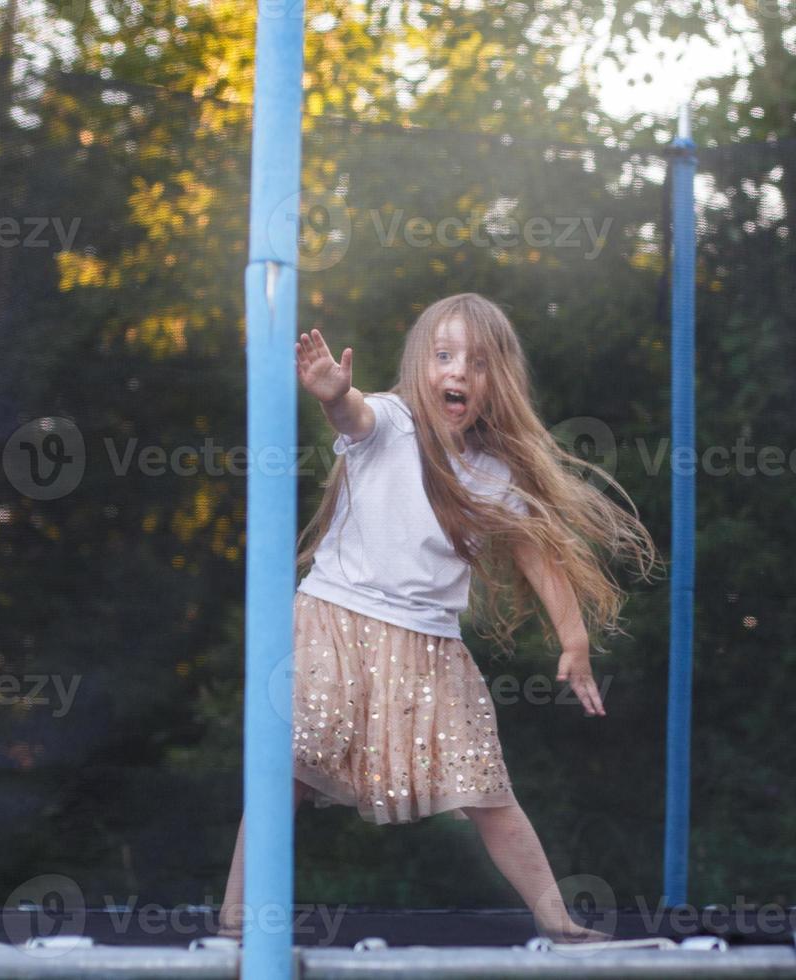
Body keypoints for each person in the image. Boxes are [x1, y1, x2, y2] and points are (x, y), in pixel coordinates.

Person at [219, 292, 657, 943]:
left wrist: (575, 640)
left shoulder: (497, 471)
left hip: (428, 647)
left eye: (475, 363)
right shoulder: (391, 422)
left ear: (495, 381)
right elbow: (354, 415)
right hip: (335, 620)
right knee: (288, 768)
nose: (457, 373)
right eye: (444, 356)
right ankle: (236, 924)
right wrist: (332, 394)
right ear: (420, 363)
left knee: (486, 786)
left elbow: (541, 559)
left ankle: (559, 922)